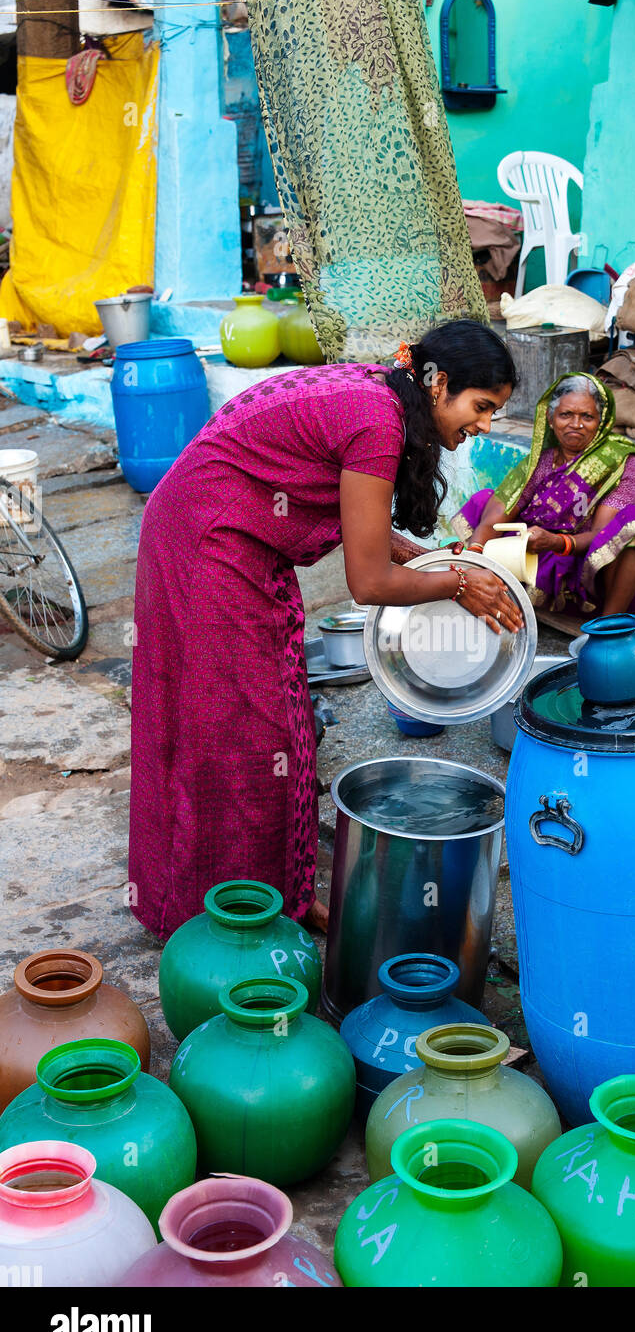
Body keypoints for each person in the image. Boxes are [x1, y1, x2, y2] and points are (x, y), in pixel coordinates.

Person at [129, 320, 519, 940]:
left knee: (248, 725)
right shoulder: (377, 422)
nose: (485, 426)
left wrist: (425, 561)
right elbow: (368, 583)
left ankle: (269, 898)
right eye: (482, 407)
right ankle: (234, 917)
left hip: (202, 527)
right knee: (250, 733)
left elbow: (364, 531)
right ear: (439, 383)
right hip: (208, 546)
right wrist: (457, 583)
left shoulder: (384, 395)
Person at [451, 372, 635, 617]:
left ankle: (610, 626)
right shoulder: (541, 462)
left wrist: (557, 542)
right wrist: (474, 561)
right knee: (485, 501)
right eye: (566, 415)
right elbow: (499, 513)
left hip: (585, 569)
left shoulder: (618, 460)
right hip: (534, 557)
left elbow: (603, 537)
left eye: (587, 416)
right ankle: (496, 588)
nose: (575, 424)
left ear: (602, 421)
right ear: (551, 418)